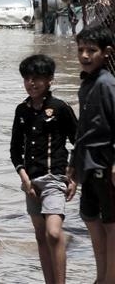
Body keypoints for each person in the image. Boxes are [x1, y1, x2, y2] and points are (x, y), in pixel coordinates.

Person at [10, 54, 78, 284]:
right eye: (27, 78)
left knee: (54, 233)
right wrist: (24, 177)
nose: (32, 83)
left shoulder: (60, 108)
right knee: (40, 236)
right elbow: (14, 151)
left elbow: (78, 141)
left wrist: (73, 175)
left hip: (55, 180)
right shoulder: (22, 111)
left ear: (50, 80)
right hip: (30, 182)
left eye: (37, 78)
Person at [68, 25, 115, 284]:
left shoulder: (107, 85)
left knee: (111, 224)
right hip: (87, 164)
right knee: (90, 217)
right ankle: (102, 276)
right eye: (80, 50)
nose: (85, 55)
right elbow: (83, 129)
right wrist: (73, 165)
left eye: (91, 51)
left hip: (105, 163)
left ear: (106, 53)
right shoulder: (87, 85)